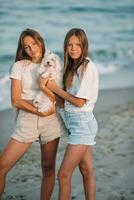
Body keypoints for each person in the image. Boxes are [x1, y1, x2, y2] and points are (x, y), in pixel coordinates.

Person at [0, 28, 63, 200]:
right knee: (2, 167)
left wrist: (44, 90)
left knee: (48, 168)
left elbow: (59, 98)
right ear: (23, 50)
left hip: (51, 119)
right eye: (27, 47)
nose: (32, 49)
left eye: (34, 44)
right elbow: (16, 101)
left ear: (40, 41)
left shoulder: (53, 63)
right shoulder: (19, 66)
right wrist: (39, 111)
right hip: (28, 119)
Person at [40, 28, 99, 200]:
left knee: (63, 175)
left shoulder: (87, 67)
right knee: (86, 170)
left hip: (82, 125)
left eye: (77, 45)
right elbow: (62, 101)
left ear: (84, 45)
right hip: (73, 123)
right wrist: (45, 88)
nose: (73, 49)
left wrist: (55, 88)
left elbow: (80, 102)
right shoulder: (72, 67)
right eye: (69, 45)